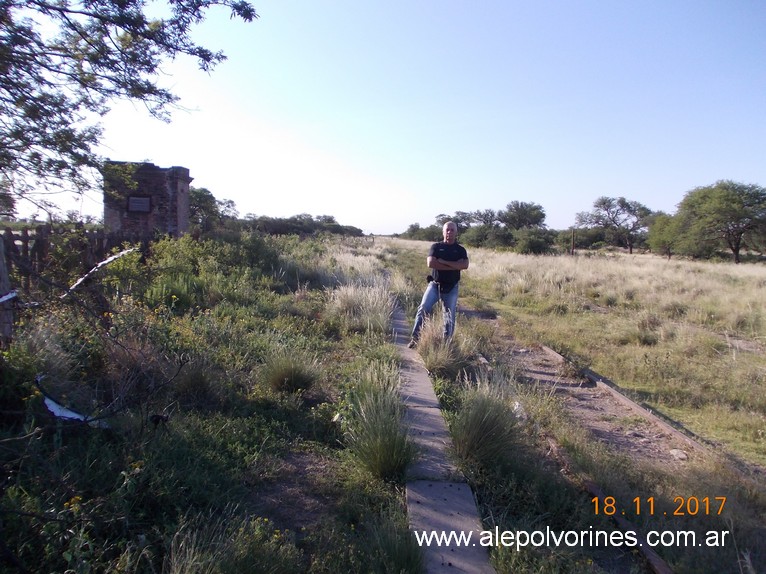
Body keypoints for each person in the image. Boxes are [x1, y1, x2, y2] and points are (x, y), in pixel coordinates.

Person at [408, 221, 469, 347]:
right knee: (423, 308)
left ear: (456, 232)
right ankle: (415, 339)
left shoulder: (460, 250)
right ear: (443, 232)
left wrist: (442, 262)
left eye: (452, 230)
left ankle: (446, 344)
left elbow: (465, 265)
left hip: (452, 287)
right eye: (447, 230)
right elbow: (431, 263)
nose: (449, 232)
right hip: (435, 285)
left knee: (449, 316)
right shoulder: (436, 247)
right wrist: (454, 265)